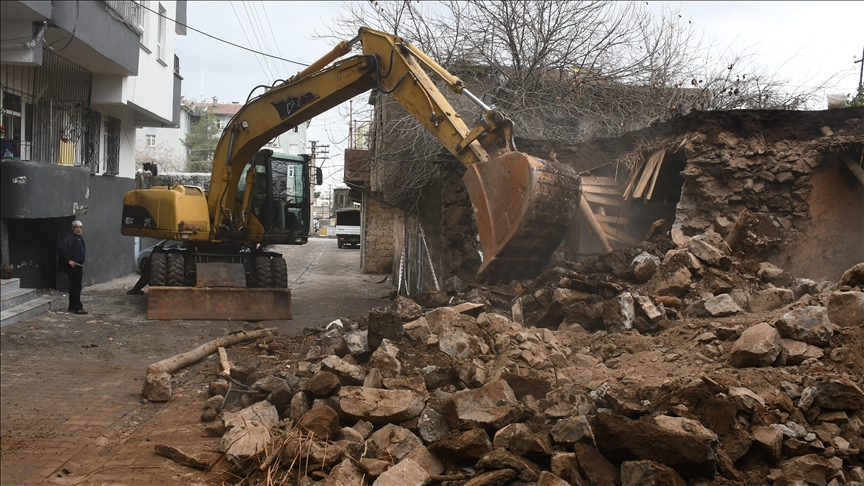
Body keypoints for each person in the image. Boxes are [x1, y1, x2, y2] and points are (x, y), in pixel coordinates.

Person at [57, 220, 87, 314]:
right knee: (76, 287)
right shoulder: (70, 238)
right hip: (74, 266)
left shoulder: (78, 238)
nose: (78, 229)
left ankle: (72, 306)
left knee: (75, 286)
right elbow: (61, 249)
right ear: (72, 228)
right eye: (76, 227)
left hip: (78, 265)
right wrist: (68, 261)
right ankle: (77, 307)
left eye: (80, 227)